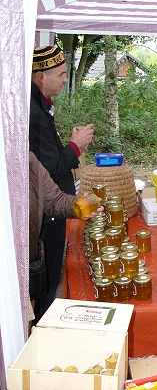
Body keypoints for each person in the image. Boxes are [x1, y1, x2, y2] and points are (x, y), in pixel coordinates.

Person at [29, 46, 94, 323]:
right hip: (46, 219)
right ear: (41, 76)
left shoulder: (41, 106)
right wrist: (74, 147)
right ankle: (39, 331)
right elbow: (46, 171)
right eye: (62, 74)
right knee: (44, 283)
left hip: (54, 211)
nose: (66, 79)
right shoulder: (32, 112)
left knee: (47, 281)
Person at [28, 151, 103, 325]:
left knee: (22, 328)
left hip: (26, 266)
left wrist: (78, 205)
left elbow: (54, 200)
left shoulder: (28, 160)